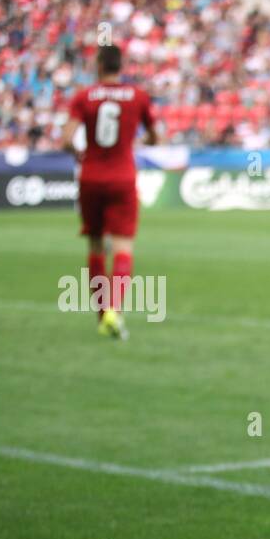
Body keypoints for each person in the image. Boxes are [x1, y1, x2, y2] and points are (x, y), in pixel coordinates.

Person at [62, 44, 158, 340]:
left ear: (100, 65)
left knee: (94, 246)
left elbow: (66, 138)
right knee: (123, 247)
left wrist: (80, 153)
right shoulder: (138, 97)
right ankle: (114, 311)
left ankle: (102, 315)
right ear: (121, 66)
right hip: (122, 177)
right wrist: (138, 141)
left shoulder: (84, 96)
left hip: (91, 176)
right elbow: (156, 137)